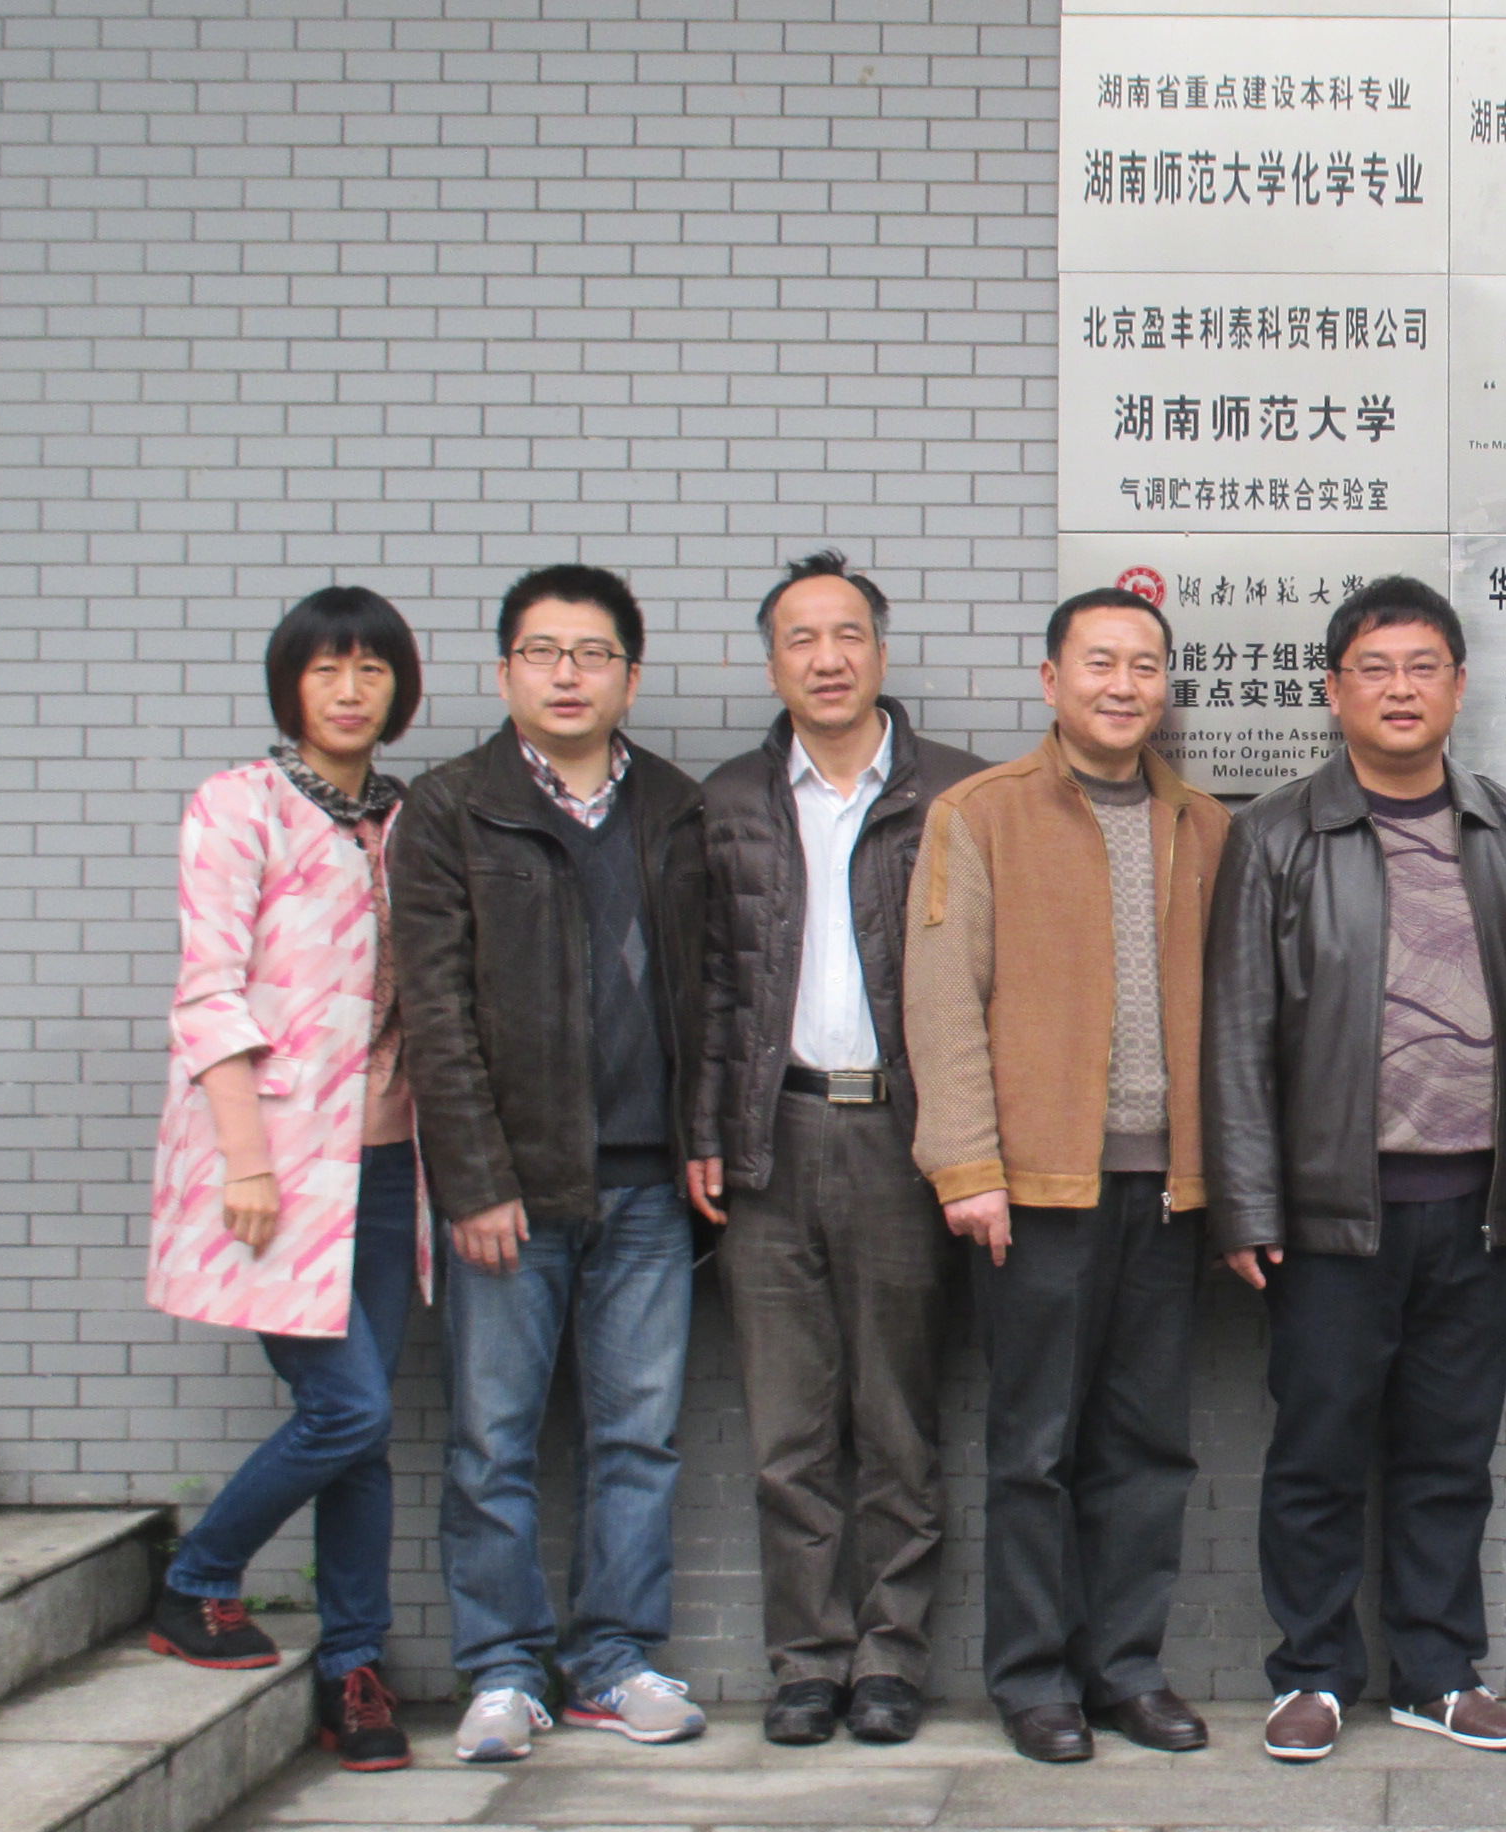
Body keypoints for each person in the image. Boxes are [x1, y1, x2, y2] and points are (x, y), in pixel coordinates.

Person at [1205, 576, 1506, 1764]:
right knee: (1318, 1451)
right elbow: (1236, 1029)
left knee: (1448, 1455)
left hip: (1476, 1206)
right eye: (1374, 668)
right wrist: (1247, 1202)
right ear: (1334, 691)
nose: (1401, 688)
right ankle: (1313, 1671)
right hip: (1333, 1211)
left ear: (1460, 686)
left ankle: (1437, 1670)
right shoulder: (1277, 834)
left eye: (1424, 666)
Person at [901, 586, 1228, 1763]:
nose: (1122, 684)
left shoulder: (1203, 824)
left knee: (1148, 1445)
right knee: (1035, 1447)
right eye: (1100, 661)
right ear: (1052, 679)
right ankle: (1034, 1677)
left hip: (1168, 1191)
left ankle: (1126, 1670)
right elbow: (943, 997)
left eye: (1144, 665)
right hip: (1034, 1190)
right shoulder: (981, 812)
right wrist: (967, 1165)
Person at [392, 563, 712, 1763]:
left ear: (631, 674)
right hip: (512, 1193)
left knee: (638, 1437)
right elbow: (435, 1011)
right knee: (494, 1438)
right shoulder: (451, 809)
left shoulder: (675, 807)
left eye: (591, 654)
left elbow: (714, 991)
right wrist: (473, 1177)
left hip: (649, 1186)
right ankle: (502, 1668)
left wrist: (704, 1142)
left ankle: (613, 1660)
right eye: (542, 652)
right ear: (503, 672)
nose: (567, 674)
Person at [690, 551, 986, 1748]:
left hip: (903, 1137)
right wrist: (705, 1130)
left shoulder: (956, 794)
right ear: (772, 663)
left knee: (898, 1420)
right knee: (788, 1430)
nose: (827, 657)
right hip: (769, 1137)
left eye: (848, 633)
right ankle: (807, 1661)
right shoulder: (726, 802)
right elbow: (708, 989)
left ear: (881, 650)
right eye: (802, 638)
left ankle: (890, 1658)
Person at [143, 586, 429, 1775]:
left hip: (389, 1163)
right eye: (326, 669)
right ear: (291, 685)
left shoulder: (410, 818)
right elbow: (209, 991)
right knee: (347, 1408)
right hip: (276, 1164)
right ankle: (199, 1574)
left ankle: (350, 1668)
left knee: (362, 1435)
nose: (350, 690)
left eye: (371, 669)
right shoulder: (239, 803)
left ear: (399, 687)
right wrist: (246, 1158)